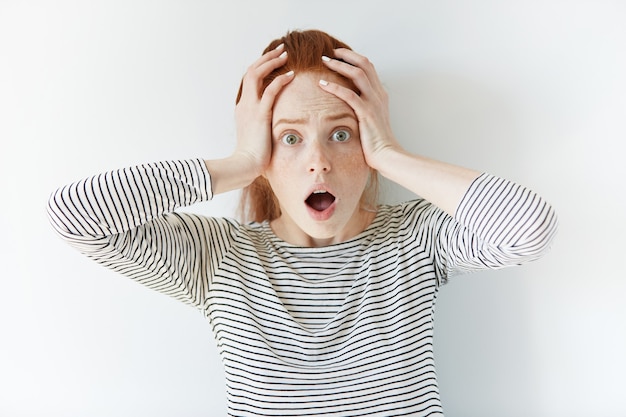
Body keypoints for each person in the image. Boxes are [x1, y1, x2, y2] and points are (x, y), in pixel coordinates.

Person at [47, 29, 558, 417]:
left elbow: (528, 227)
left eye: (340, 134)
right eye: (290, 138)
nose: (319, 162)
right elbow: (75, 215)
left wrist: (388, 151)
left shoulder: (415, 239)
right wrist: (242, 159)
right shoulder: (218, 257)